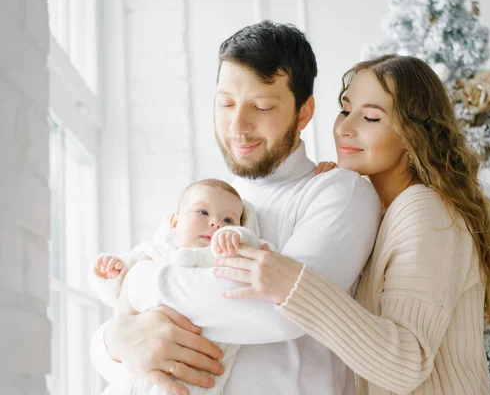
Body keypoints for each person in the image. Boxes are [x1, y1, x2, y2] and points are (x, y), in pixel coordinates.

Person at [90, 21, 381, 395]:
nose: (237, 126)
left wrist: (141, 282)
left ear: (304, 113)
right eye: (226, 103)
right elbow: (126, 333)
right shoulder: (209, 201)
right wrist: (114, 340)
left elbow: (281, 311)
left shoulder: (338, 192)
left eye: (261, 106)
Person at [213, 55, 490, 394]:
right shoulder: (382, 209)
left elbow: (406, 364)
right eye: (345, 110)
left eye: (370, 117)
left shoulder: (424, 211)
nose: (344, 128)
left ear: (414, 135)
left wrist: (295, 284)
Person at [89, 179, 276, 395]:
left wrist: (238, 238)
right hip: (135, 373)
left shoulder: (223, 256)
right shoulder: (155, 251)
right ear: (175, 222)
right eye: (203, 212)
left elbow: (262, 255)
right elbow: (117, 293)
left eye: (228, 219)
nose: (216, 223)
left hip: (192, 378)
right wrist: (112, 273)